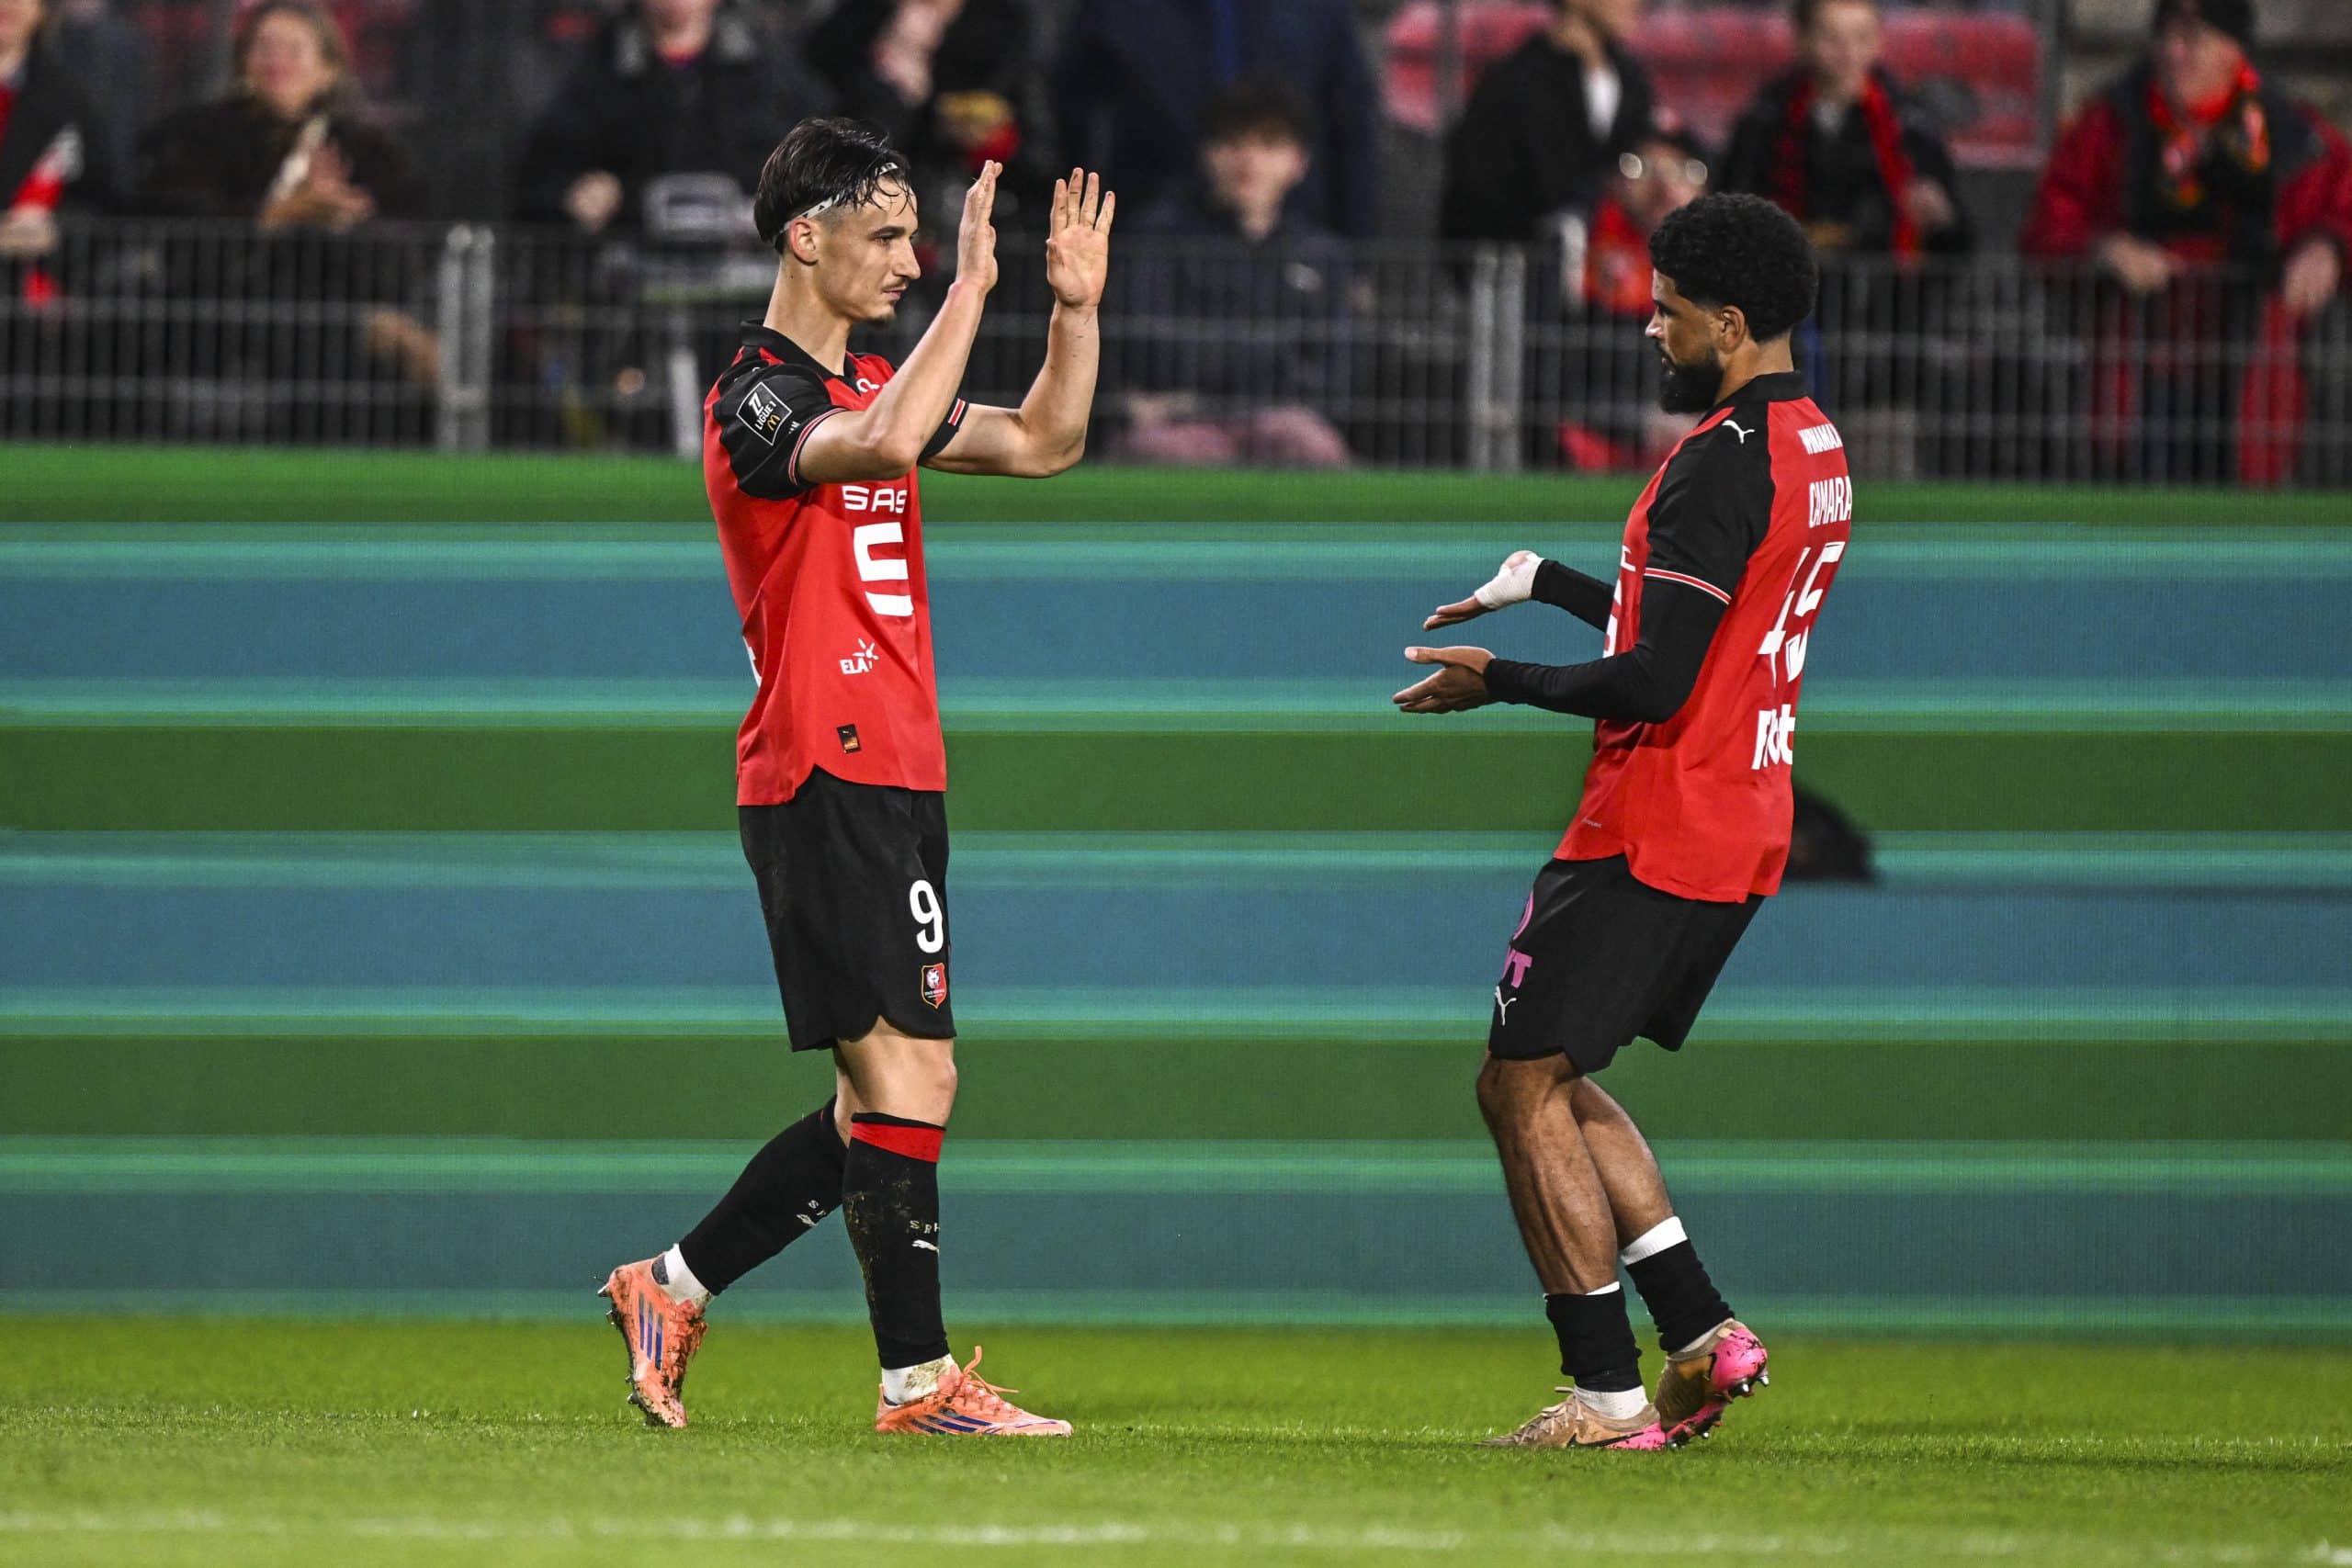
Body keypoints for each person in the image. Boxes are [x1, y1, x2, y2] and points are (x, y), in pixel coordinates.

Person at [596, 119, 1114, 1438]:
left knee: (877, 1098)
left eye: (916, 236)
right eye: (883, 235)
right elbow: (876, 442)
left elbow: (1049, 439)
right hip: (823, 764)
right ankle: (918, 1382)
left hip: (899, 763)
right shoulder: (758, 397)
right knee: (914, 1083)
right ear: (803, 238)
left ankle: (670, 1282)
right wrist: (972, 296)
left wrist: (1071, 311)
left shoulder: (877, 376)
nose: (908, 255)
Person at [1392, 194, 1845, 1451]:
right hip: (1741, 815)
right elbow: (1703, 623)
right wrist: (1548, 584)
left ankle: (1605, 1393)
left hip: (1655, 814)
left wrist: (1501, 678)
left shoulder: (1716, 463)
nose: (1651, 325)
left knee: (1514, 1083)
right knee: (1557, 1072)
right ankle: (1699, 1330)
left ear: (1731, 320)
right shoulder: (1813, 444)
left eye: (1669, 308)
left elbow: (1656, 675)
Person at [2020, 0, 2352, 485]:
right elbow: (2047, 225)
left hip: (2252, 389)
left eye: (2192, 40)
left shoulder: (2292, 132)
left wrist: (2328, 249)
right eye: (2166, 37)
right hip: (2136, 384)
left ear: (2232, 51)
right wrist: (2103, 249)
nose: (2173, 53)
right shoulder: (2110, 124)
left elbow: (2341, 204)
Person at [1122, 76, 1353, 468]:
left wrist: (1213, 379)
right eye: (1233, 143)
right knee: (1169, 451)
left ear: (1299, 162)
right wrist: (1273, 358)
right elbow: (1150, 349)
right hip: (1182, 426)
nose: (1249, 161)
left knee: (1312, 446)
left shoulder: (1322, 254)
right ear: (1207, 154)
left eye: (1268, 144)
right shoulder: (1157, 238)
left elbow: (1336, 372)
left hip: (1279, 420)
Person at [1052, 0, 1378, 240]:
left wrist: (1357, 250)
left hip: (1290, 232)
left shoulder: (1318, 11)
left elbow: (1352, 121)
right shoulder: (1120, 12)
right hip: (1149, 225)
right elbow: (1073, 111)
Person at [514, 0, 821, 236]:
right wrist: (574, 194)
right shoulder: (592, 71)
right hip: (626, 276)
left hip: (745, 276)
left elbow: (823, 155)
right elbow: (538, 172)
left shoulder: (772, 72)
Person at [1717, 0, 1971, 264]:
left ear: (1878, 41)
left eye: (1861, 37)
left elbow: (1956, 241)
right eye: (1831, 37)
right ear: (1802, 39)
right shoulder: (1764, 121)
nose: (1848, 52)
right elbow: (1730, 203)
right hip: (1783, 285)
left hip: (1884, 293)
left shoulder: (1912, 128)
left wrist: (1943, 218)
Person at [801, 0, 1048, 228]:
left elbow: (1022, 121)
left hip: (969, 188)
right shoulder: (870, 12)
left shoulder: (999, 20)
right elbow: (820, 61)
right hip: (876, 178)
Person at [1439, 0, 1655, 247]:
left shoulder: (1633, 82)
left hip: (1615, 271)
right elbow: (1478, 192)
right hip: (1529, 267)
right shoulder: (1516, 82)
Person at [0, 0, 112, 265]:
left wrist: (53, 228)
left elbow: (100, 200)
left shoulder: (69, 102)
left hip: (26, 285)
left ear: (41, 10)